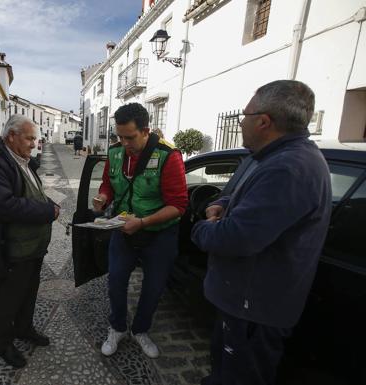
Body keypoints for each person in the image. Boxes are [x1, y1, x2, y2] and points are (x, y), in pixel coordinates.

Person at [191, 80, 332, 385]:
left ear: (264, 121)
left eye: (245, 115)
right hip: (244, 303)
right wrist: (223, 202)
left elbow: (236, 237)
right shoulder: (266, 156)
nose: (241, 122)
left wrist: (200, 229)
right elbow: (245, 194)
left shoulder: (289, 166)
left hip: (254, 309)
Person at [92, 103, 188, 358]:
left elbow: (178, 205)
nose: (123, 143)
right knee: (115, 282)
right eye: (119, 136)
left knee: (154, 286)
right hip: (123, 229)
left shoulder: (169, 155)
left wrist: (144, 223)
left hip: (160, 234)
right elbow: (107, 185)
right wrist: (102, 197)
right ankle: (117, 327)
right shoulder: (114, 153)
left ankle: (141, 330)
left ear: (145, 131)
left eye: (130, 137)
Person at [0, 114, 60, 368]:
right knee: (8, 298)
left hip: (32, 247)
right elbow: (5, 206)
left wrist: (50, 204)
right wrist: (47, 212)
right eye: (29, 138)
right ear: (11, 136)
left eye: (35, 138)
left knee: (28, 292)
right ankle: (3, 344)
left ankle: (24, 329)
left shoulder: (23, 161)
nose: (34, 144)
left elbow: (34, 194)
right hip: (10, 248)